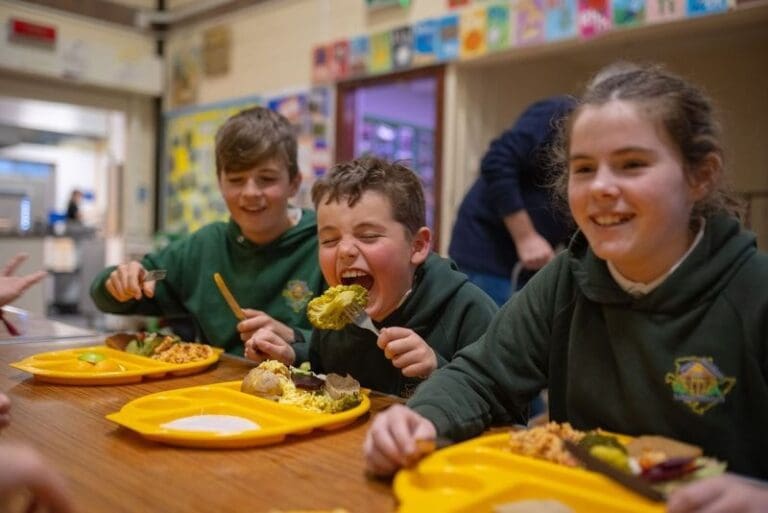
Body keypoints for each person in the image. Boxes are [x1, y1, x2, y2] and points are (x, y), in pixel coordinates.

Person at [362, 63, 768, 512]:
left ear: (701, 176)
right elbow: (481, 377)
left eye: (632, 165)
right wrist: (418, 420)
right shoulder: (567, 277)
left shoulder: (755, 292)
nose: (601, 187)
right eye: (584, 168)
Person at [244, 156, 498, 398]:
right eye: (330, 240)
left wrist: (438, 371)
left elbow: (509, 412)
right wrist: (291, 356)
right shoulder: (337, 319)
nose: (344, 251)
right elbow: (321, 372)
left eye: (368, 236)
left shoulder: (470, 311)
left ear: (418, 246)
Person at [90, 106, 326, 359]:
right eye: (236, 180)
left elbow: (356, 348)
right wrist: (119, 282)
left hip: (306, 391)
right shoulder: (204, 247)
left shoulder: (326, 244)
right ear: (220, 183)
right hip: (215, 390)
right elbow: (106, 294)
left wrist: (296, 338)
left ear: (294, 183)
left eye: (266, 179)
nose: (250, 192)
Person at [448, 96, 576, 305]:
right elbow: (497, 160)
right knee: (490, 332)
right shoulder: (559, 113)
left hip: (532, 265)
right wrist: (525, 236)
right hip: (488, 252)